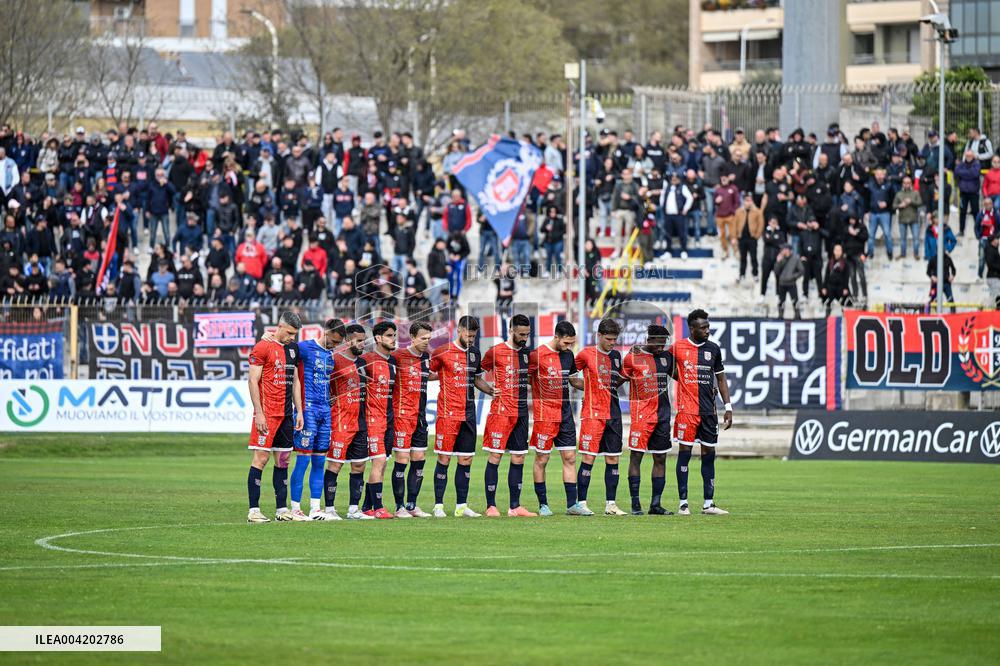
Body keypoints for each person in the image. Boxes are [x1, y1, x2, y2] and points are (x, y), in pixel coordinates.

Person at [429, 315, 494, 518]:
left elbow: (476, 379)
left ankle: (461, 506)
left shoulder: (474, 353)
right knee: (444, 457)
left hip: (468, 412)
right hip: (448, 413)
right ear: (459, 330)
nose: (471, 339)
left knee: (466, 459)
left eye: (474, 336)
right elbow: (429, 373)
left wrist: (493, 391)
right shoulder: (442, 352)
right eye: (468, 335)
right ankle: (438, 505)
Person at [671, 309, 732, 516]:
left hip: (709, 412)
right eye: (703, 327)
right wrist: (684, 380)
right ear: (692, 328)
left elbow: (721, 379)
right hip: (687, 412)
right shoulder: (678, 347)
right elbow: (666, 366)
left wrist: (728, 406)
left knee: (709, 454)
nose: (707, 330)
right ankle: (683, 503)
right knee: (684, 455)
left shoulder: (714, 349)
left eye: (708, 326)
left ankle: (708, 503)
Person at [246, 311, 304, 523]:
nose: (292, 337)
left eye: (295, 334)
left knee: (283, 460)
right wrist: (258, 413)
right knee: (261, 458)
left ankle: (282, 509)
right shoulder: (263, 346)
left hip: (287, 414)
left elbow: (295, 381)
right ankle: (254, 511)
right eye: (289, 333)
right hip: (267, 414)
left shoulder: (292, 349)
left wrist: (299, 411)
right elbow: (253, 381)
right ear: (279, 326)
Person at [529, 320, 588, 516]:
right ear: (556, 337)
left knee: (570, 457)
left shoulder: (568, 355)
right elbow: (525, 379)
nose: (569, 346)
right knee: (542, 458)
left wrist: (592, 386)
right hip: (545, 415)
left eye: (571, 343)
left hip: (565, 414)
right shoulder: (537, 355)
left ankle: (572, 505)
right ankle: (543, 505)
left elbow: (571, 379)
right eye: (566, 343)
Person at [480, 314, 536, 517]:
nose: (524, 338)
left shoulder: (528, 354)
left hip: (521, 412)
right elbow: (476, 374)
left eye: (527, 334)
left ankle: (515, 506)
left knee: (519, 457)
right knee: (495, 456)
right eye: (521, 334)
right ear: (511, 330)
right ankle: (491, 506)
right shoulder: (495, 352)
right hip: (501, 412)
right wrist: (488, 390)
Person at [573, 318, 628, 516]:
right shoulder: (586, 354)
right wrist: (589, 387)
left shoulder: (616, 356)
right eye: (609, 339)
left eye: (615, 339)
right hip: (592, 413)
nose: (612, 342)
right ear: (599, 336)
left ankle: (611, 505)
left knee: (613, 459)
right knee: (589, 457)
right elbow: (571, 375)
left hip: (613, 413)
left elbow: (616, 380)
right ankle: (581, 503)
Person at [623, 324, 674, 516]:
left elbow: (680, 377)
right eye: (658, 344)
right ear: (649, 340)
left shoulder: (667, 358)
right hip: (642, 415)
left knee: (660, 457)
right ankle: (635, 504)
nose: (661, 348)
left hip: (662, 414)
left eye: (664, 344)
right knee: (636, 456)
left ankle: (655, 505)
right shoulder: (633, 357)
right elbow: (618, 380)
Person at [326, 324, 373, 520]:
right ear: (347, 340)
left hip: (360, 422)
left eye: (364, 340)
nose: (362, 344)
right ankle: (329, 509)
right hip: (340, 420)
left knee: (359, 466)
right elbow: (323, 384)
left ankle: (354, 509)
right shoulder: (335, 360)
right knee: (335, 465)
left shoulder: (363, 363)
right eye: (359, 340)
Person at [390, 321, 434, 518]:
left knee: (419, 459)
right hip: (401, 416)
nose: (426, 342)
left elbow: (428, 376)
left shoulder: (426, 357)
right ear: (413, 337)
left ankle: (411, 505)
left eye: (429, 339)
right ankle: (399, 507)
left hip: (420, 417)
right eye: (423, 338)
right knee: (402, 459)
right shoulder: (398, 356)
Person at [360, 321, 399, 519]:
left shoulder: (393, 362)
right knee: (379, 461)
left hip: (388, 419)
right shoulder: (366, 360)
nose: (394, 339)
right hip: (372, 419)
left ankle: (367, 506)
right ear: (378, 338)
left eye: (395, 335)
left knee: (383, 464)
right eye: (390, 335)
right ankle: (379, 507)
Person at [734, 193, 763, 280]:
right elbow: (735, 223)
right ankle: (742, 274)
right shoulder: (739, 211)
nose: (748, 203)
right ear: (744, 201)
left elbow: (760, 224)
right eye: (747, 200)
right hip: (742, 238)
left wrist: (757, 235)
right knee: (743, 257)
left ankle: (755, 274)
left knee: (753, 257)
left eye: (750, 200)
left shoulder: (757, 211)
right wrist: (735, 236)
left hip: (752, 238)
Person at [955, 149, 982, 237]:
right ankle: (961, 230)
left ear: (973, 156)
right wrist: (968, 174)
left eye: (970, 156)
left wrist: (964, 175)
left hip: (973, 193)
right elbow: (957, 172)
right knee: (962, 212)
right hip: (963, 193)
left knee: (975, 212)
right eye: (967, 156)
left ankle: (978, 231)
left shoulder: (976, 164)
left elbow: (975, 174)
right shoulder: (961, 164)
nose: (968, 157)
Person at [775, 243, 804, 319]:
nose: (782, 251)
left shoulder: (796, 258)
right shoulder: (781, 258)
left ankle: (797, 315)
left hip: (791, 283)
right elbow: (776, 272)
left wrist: (793, 277)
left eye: (784, 249)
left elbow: (801, 270)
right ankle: (780, 315)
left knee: (795, 300)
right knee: (781, 301)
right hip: (782, 283)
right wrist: (778, 262)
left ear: (788, 250)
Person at [820, 244, 850, 315]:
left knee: (844, 303)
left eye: (839, 250)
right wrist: (824, 287)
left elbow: (846, 276)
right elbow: (826, 275)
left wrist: (845, 288)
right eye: (836, 250)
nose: (838, 252)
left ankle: (844, 319)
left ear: (842, 251)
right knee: (828, 303)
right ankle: (827, 319)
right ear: (833, 251)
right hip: (831, 286)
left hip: (841, 286)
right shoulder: (830, 262)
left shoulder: (845, 263)